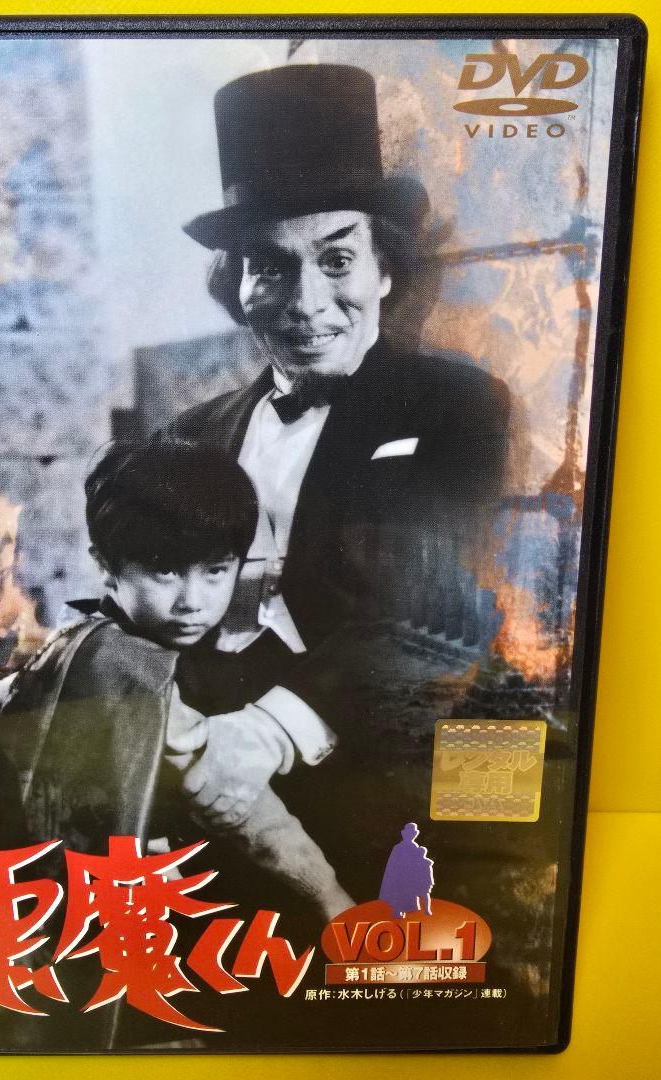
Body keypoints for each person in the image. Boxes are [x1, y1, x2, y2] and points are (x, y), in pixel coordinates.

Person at [164, 63, 514, 901]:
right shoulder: (188, 436)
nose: (307, 301)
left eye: (336, 259)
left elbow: (433, 611)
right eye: (269, 265)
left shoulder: (457, 407)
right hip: (205, 810)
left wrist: (270, 733)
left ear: (385, 269)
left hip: (375, 802)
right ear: (237, 285)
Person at [0, 440, 353, 923]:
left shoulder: (90, 639)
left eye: (215, 571)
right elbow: (240, 806)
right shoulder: (122, 659)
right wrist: (330, 896)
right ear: (105, 566)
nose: (192, 600)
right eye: (164, 572)